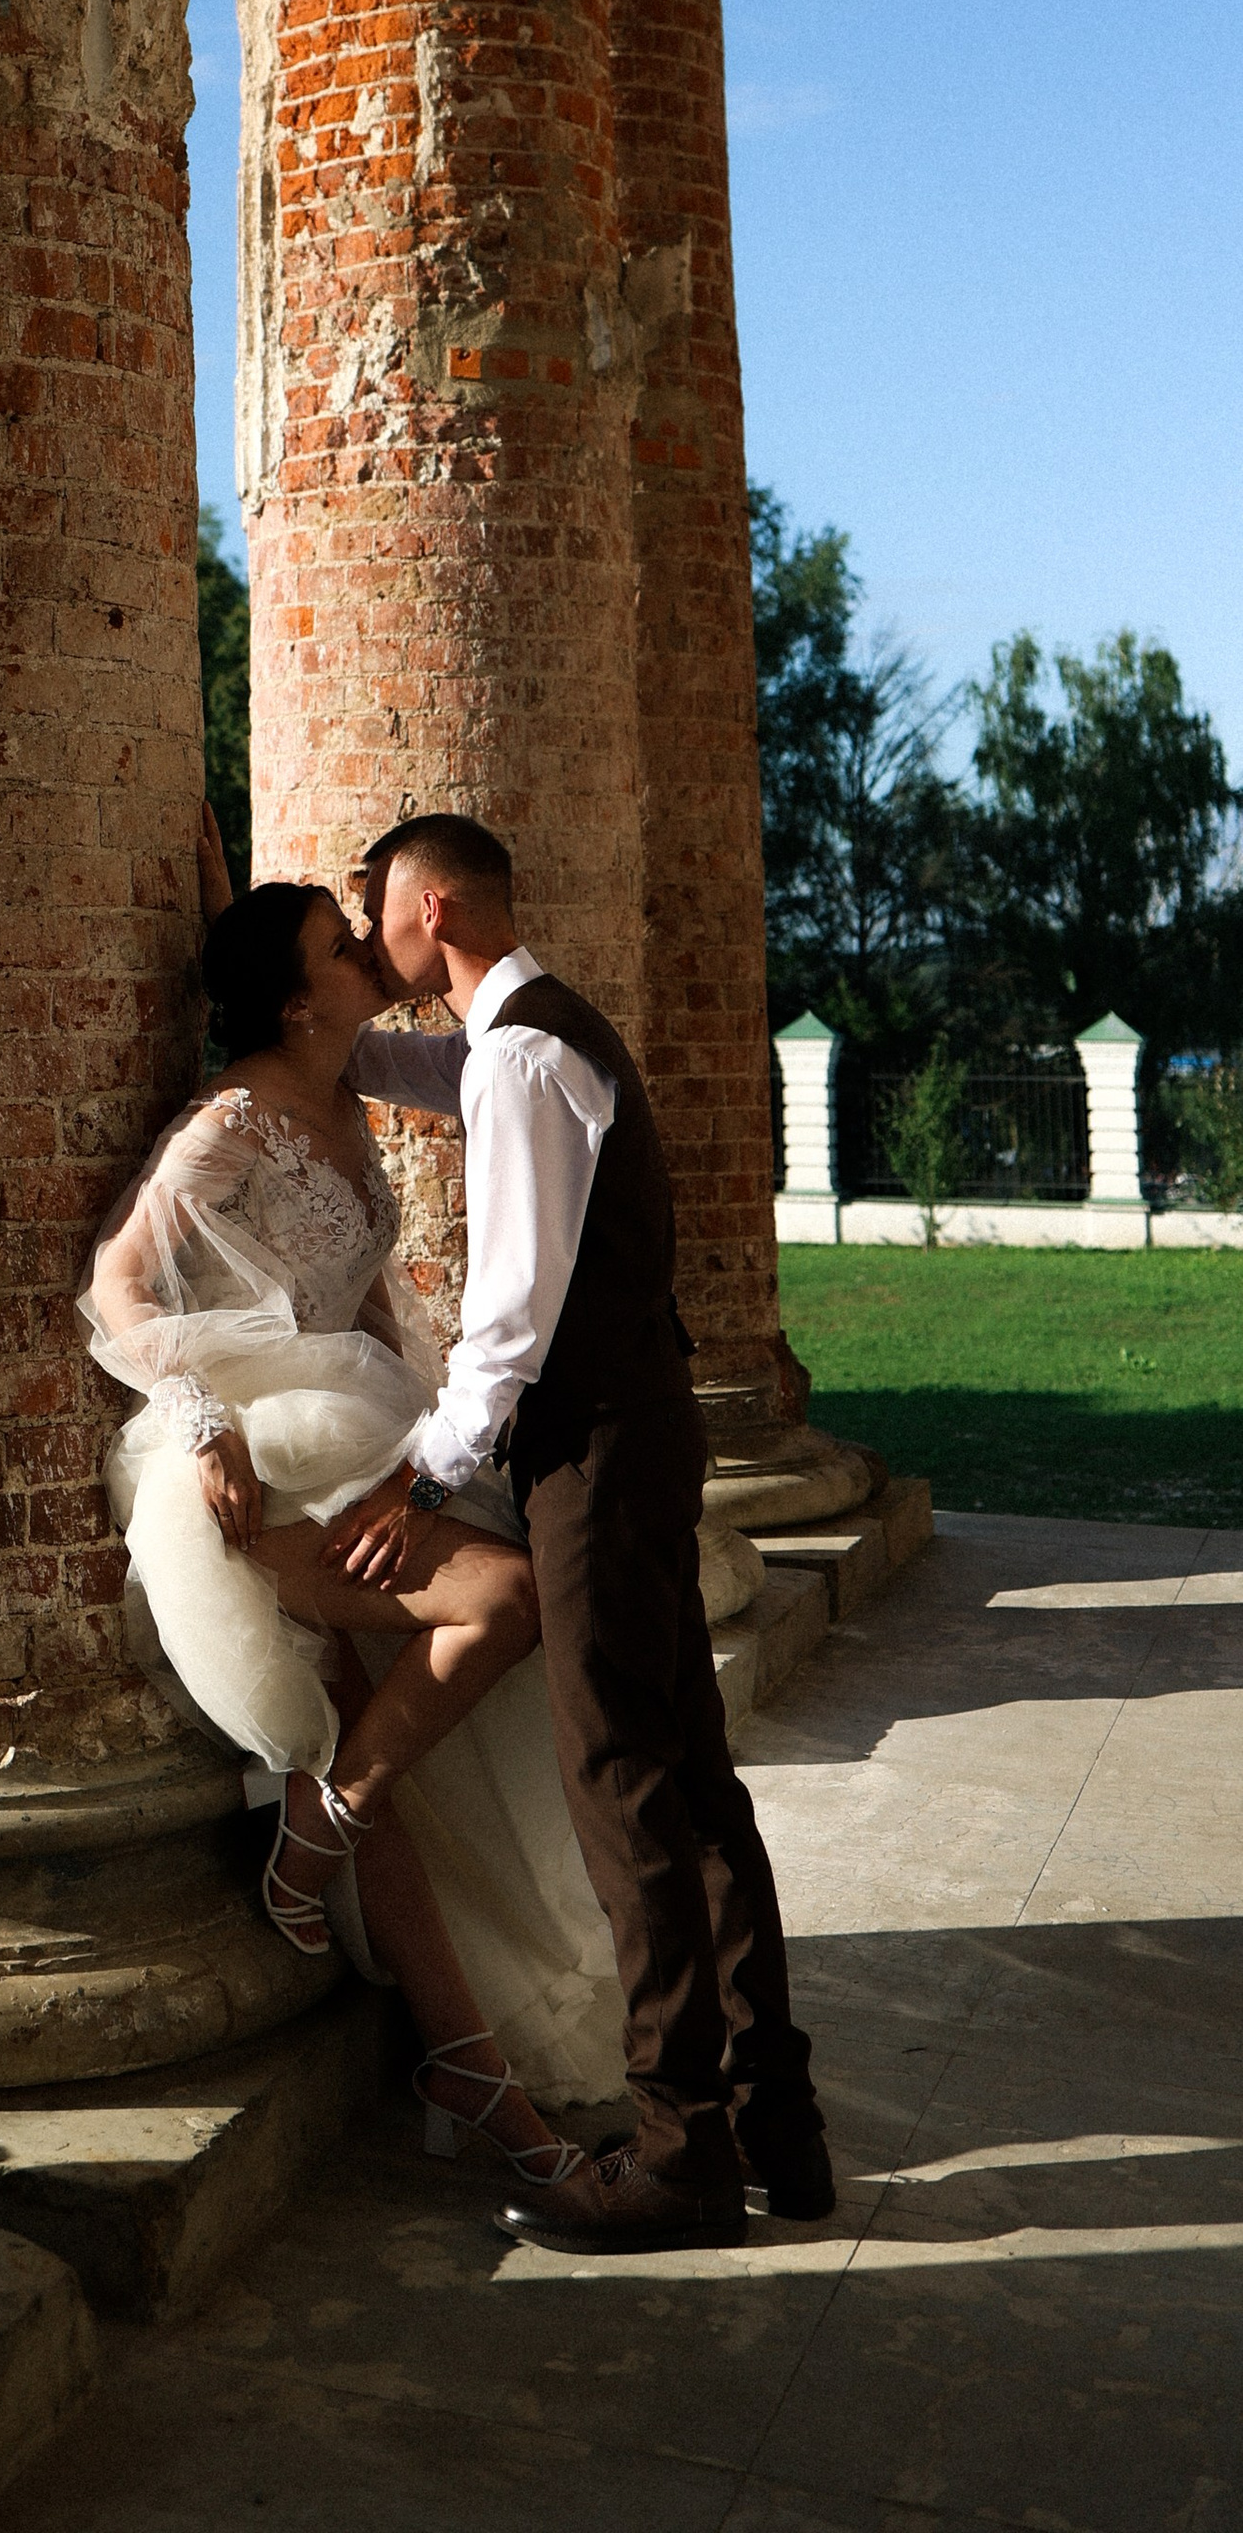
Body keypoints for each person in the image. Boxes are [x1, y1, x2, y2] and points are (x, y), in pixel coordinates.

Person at [82, 839, 624, 2185]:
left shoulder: (349, 1087)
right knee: (503, 1600)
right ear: (296, 999)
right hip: (267, 1451)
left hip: (366, 1417)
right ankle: (322, 1835)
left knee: (414, 1780)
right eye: (340, 944)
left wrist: (425, 1421)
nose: (368, 953)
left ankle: (461, 2056)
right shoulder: (231, 1119)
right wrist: (206, 1421)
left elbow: (363, 1288)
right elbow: (118, 1289)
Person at [333, 811, 835, 2253]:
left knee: (623, 1784)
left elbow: (509, 1319)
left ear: (432, 906)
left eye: (379, 916)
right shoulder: (511, 1044)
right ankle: (772, 2125)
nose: (373, 941)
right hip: (628, 1433)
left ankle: (682, 2153)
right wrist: (270, 934)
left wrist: (426, 1477)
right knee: (691, 1781)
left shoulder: (531, 1056)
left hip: (598, 1452)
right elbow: (374, 1060)